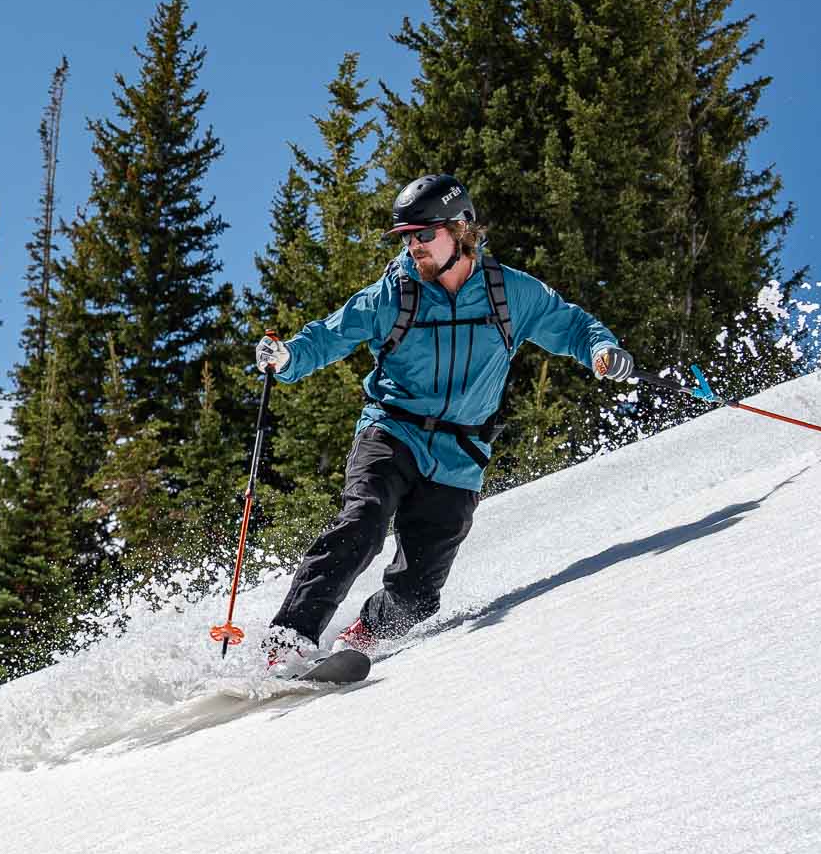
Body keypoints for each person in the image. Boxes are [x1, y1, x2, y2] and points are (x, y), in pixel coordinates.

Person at [253, 172, 636, 670]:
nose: (414, 246)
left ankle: (362, 637)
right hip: (392, 430)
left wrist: (602, 350)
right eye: (406, 237)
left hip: (460, 454)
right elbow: (328, 336)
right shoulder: (393, 295)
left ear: (461, 229)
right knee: (363, 523)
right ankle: (287, 642)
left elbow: (573, 325)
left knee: (418, 593)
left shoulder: (507, 293)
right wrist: (287, 357)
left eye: (424, 234)